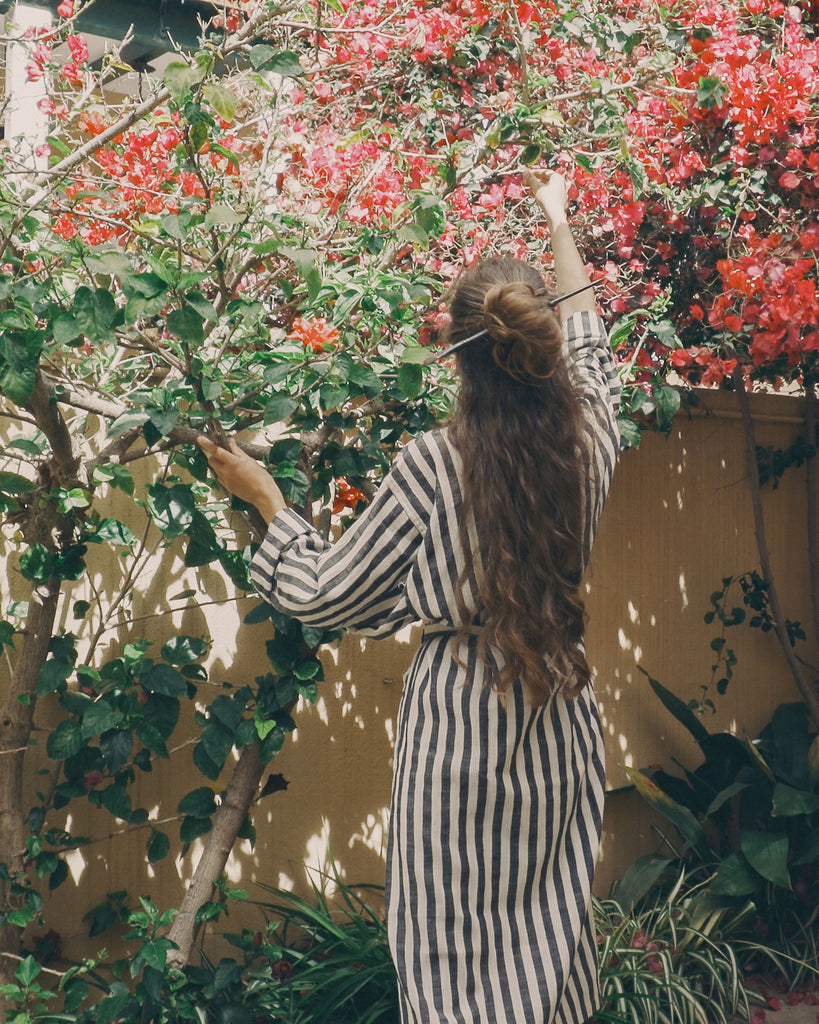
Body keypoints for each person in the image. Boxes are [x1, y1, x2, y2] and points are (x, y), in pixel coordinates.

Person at [198, 169, 620, 1024]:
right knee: (549, 932)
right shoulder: (590, 436)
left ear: (460, 355)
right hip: (559, 716)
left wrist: (267, 501)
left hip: (458, 723)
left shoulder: (435, 462)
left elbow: (324, 594)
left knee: (452, 945)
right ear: (536, 343)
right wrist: (557, 216)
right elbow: (590, 335)